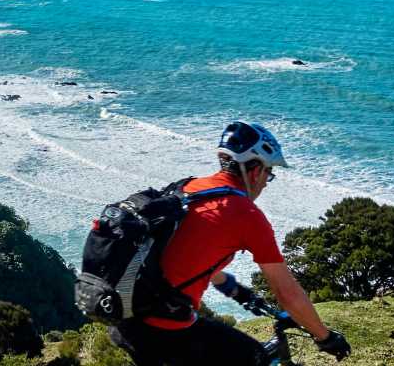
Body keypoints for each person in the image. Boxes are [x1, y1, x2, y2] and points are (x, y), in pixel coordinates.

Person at [108, 121, 352, 365]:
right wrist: (325, 337)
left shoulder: (187, 188)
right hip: (163, 329)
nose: (267, 181)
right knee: (255, 358)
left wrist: (235, 290)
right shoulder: (247, 215)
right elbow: (286, 292)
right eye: (269, 173)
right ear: (256, 171)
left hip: (126, 317)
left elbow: (185, 251)